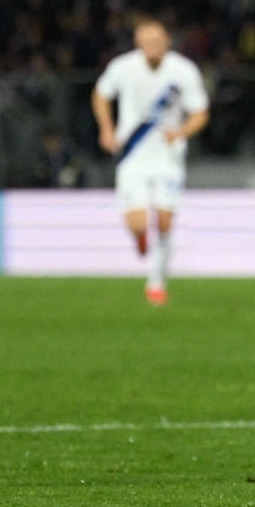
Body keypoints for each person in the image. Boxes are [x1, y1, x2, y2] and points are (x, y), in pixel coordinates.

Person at [91, 18, 209, 305]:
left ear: (168, 41)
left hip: (168, 155)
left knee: (165, 219)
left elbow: (200, 112)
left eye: (157, 41)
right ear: (138, 42)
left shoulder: (183, 71)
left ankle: (157, 281)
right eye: (146, 41)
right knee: (138, 223)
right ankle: (141, 238)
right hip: (132, 154)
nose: (152, 47)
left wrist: (181, 132)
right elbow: (100, 95)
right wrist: (106, 129)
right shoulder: (123, 67)